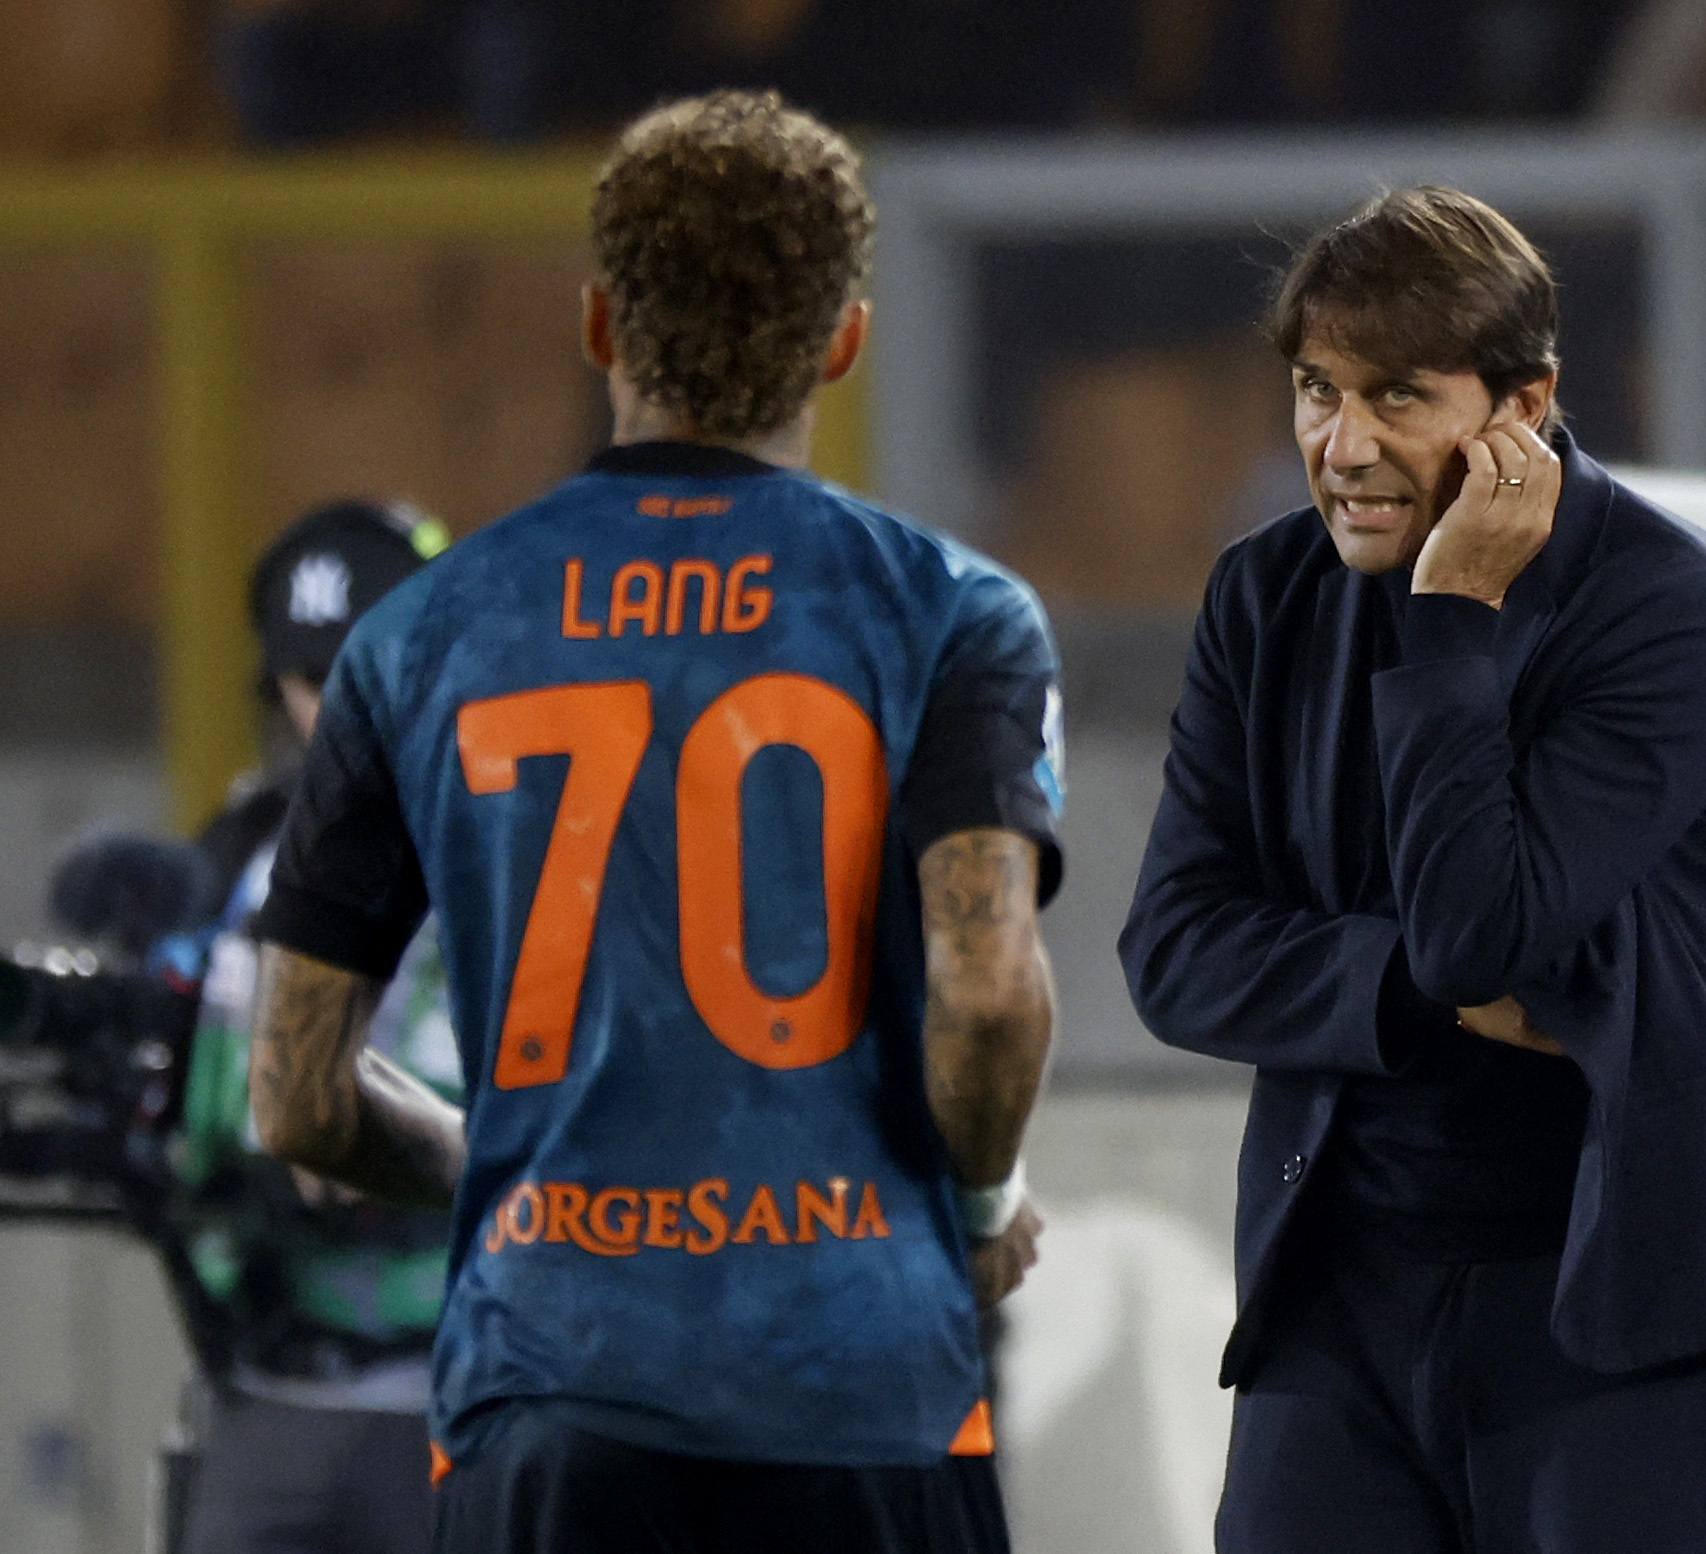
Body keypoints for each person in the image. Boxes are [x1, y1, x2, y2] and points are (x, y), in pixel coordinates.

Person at [243, 89, 1063, 1554]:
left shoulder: (421, 635)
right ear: (843, 342)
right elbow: (989, 992)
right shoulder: (954, 613)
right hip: (863, 1383)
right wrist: (985, 1191)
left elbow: (296, 1097)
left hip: (551, 1381)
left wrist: (486, 1152)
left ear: (600, 327)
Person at [1118, 185, 1706, 1554]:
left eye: (1396, 396)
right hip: (1336, 1306)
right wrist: (1413, 989)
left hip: (1614, 1317)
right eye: (1316, 390)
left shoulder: (1675, 611)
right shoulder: (1262, 595)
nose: (1342, 443)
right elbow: (1174, 951)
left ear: (1523, 404)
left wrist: (1449, 618)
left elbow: (1477, 927)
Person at [171, 498, 458, 1554]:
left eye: (362, 670)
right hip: (267, 1387)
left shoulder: (517, 843)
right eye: (309, 681)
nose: (333, 708)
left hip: (454, 1399)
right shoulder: (237, 852)